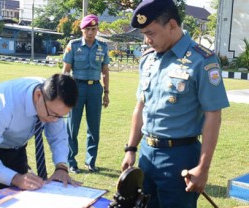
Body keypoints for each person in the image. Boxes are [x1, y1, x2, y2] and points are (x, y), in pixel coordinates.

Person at [120, 0, 229, 207]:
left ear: (171, 25)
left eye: (151, 33)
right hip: (146, 155)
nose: (147, 40)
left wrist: (203, 168)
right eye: (144, 34)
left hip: (180, 157)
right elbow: (141, 106)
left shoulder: (203, 60)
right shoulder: (148, 59)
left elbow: (213, 116)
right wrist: (131, 148)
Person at [0, 74, 79, 208]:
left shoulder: (53, 104)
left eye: (60, 116)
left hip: (15, 145)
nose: (54, 120)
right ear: (38, 95)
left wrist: (61, 167)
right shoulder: (3, 104)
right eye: (52, 114)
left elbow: (58, 136)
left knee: (19, 198)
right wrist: (16, 178)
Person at [62, 14, 110, 173]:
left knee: (94, 127)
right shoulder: (74, 45)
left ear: (97, 30)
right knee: (72, 127)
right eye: (87, 29)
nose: (90, 32)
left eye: (94, 29)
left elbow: (105, 71)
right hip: (76, 88)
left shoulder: (103, 47)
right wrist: (64, 91)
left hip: (95, 89)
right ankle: (71, 161)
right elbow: (66, 71)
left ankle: (91, 162)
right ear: (82, 30)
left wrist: (106, 92)